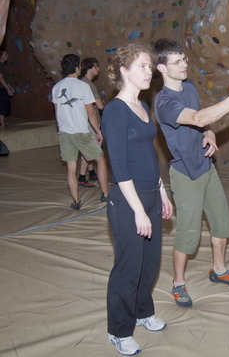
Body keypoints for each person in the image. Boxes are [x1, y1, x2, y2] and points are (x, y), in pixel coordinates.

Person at [153, 38, 229, 307]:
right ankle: (178, 283)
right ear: (161, 68)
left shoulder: (189, 87)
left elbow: (202, 121)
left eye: (184, 59)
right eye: (177, 62)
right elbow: (198, 117)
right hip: (185, 173)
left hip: (207, 167)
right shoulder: (164, 102)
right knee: (188, 235)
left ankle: (219, 269)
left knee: (222, 225)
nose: (184, 64)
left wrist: (210, 132)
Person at [101, 43, 173, 356]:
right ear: (123, 71)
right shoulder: (115, 111)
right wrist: (138, 211)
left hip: (150, 195)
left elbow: (148, 154)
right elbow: (119, 164)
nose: (150, 72)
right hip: (127, 199)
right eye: (143, 66)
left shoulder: (143, 107)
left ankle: (143, 311)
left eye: (150, 66)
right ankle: (119, 330)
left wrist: (160, 190)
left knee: (150, 262)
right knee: (128, 267)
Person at [51, 54, 108, 210]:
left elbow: (57, 113)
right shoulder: (83, 86)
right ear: (77, 68)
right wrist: (98, 131)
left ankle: (76, 201)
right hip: (81, 132)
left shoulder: (56, 87)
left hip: (64, 133)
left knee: (71, 168)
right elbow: (91, 112)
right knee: (101, 160)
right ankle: (105, 194)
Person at [77, 57, 105, 187]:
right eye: (96, 66)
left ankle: (91, 172)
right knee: (91, 149)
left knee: (88, 148)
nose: (98, 69)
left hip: (83, 121)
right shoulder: (88, 84)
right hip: (90, 122)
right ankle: (82, 177)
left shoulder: (81, 82)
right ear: (89, 68)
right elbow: (99, 106)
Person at [0, 50, 14, 128]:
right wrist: (7, 88)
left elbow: (4, 78)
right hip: (1, 89)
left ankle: (2, 123)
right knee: (2, 106)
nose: (7, 56)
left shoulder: (3, 65)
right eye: (5, 54)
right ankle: (2, 125)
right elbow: (1, 78)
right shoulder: (0, 65)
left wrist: (9, 87)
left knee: (4, 105)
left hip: (2, 88)